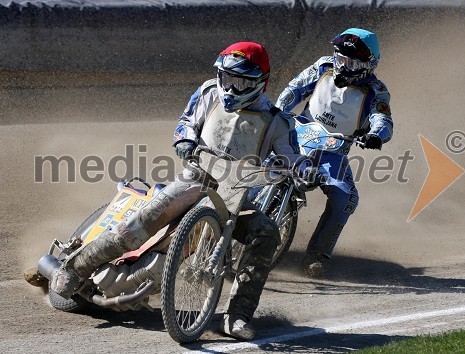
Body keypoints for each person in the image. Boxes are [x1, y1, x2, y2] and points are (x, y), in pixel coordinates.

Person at [51, 41, 304, 341]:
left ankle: (237, 315)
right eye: (227, 79)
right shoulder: (210, 92)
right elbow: (186, 123)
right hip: (195, 178)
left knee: (266, 234)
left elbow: (292, 156)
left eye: (241, 82)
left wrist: (303, 167)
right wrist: (185, 141)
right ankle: (75, 268)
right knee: (142, 222)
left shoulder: (277, 122)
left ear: (262, 82)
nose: (232, 89)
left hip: (237, 194)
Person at [275, 28, 394, 278]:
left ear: (369, 64)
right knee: (255, 167)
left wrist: (375, 136)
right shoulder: (322, 67)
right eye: (341, 59)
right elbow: (294, 89)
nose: (343, 67)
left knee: (346, 197)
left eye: (351, 62)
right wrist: (278, 111)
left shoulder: (376, 91)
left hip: (333, 151)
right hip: (296, 136)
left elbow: (383, 119)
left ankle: (315, 256)